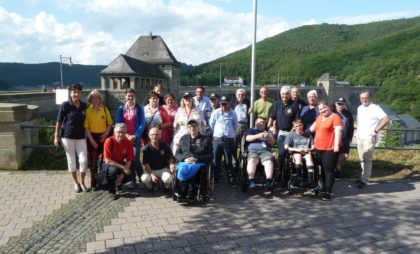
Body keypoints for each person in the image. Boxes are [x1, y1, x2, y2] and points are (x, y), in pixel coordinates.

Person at [54, 83, 89, 193]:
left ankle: (82, 181)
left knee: (83, 160)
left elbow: (88, 121)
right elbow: (59, 122)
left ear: (81, 93)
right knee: (71, 161)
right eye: (74, 92)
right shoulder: (65, 105)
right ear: (70, 93)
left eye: (78, 92)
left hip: (81, 137)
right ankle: (75, 183)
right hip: (67, 137)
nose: (76, 94)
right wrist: (56, 136)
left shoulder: (84, 106)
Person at [355, 90, 389, 189]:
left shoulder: (375, 108)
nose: (364, 100)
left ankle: (365, 180)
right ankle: (363, 176)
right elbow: (358, 118)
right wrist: (357, 126)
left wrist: (376, 131)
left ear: (370, 97)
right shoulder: (360, 108)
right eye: (362, 98)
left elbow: (386, 119)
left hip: (369, 138)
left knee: (367, 159)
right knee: (362, 158)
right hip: (360, 136)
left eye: (366, 98)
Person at [310, 101, 343, 201]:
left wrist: (336, 145)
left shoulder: (335, 117)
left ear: (329, 106)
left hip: (330, 148)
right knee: (323, 170)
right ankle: (324, 187)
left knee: (328, 171)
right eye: (320, 109)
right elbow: (311, 129)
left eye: (324, 107)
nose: (323, 110)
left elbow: (338, 131)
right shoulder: (319, 117)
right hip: (318, 148)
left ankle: (328, 192)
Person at [175, 119, 213, 199]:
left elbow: (210, 156)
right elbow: (177, 154)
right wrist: (184, 159)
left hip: (198, 162)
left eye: (194, 126)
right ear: (187, 128)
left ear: (198, 127)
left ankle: (191, 192)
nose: (192, 128)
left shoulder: (205, 139)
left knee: (191, 168)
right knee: (182, 168)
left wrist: (197, 159)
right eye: (190, 127)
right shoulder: (183, 138)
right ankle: (181, 192)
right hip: (185, 161)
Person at [268, 86, 299, 180]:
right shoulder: (277, 104)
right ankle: (280, 173)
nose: (285, 96)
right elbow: (271, 117)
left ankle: (291, 174)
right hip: (281, 133)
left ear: (289, 95)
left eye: (287, 94)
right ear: (281, 95)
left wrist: (292, 131)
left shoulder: (294, 105)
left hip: (291, 133)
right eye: (283, 94)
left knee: (289, 154)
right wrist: (270, 127)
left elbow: (297, 121)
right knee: (281, 154)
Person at [115, 88, 145, 187]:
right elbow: (118, 123)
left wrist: (135, 136)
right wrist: (126, 135)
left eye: (132, 95)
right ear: (125, 96)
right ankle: (131, 179)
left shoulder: (139, 108)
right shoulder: (121, 108)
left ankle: (141, 178)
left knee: (135, 158)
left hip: (136, 138)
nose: (130, 97)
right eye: (128, 95)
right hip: (124, 138)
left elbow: (142, 124)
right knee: (129, 159)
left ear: (134, 96)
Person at [84, 90, 113, 190]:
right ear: (90, 99)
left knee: (105, 161)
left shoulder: (104, 109)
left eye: (98, 98)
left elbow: (110, 123)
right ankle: (93, 183)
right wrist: (91, 140)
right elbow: (86, 128)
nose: (96, 100)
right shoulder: (88, 111)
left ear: (100, 99)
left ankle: (104, 182)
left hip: (103, 137)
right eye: (94, 98)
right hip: (92, 137)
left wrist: (105, 134)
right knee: (93, 162)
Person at [209, 96, 238, 183]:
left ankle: (230, 177)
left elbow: (235, 126)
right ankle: (216, 177)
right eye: (222, 104)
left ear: (229, 104)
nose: (224, 106)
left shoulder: (233, 113)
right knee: (215, 159)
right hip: (217, 139)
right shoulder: (216, 112)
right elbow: (211, 124)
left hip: (228, 140)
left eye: (225, 104)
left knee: (228, 160)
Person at [101, 123, 134, 200]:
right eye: (118, 132)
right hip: (107, 163)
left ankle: (118, 183)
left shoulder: (128, 143)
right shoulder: (109, 141)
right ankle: (112, 191)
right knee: (113, 170)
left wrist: (123, 174)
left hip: (119, 163)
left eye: (123, 132)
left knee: (131, 169)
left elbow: (129, 159)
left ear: (126, 133)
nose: (120, 134)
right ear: (114, 132)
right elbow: (107, 160)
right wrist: (123, 168)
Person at [245, 117, 276, 190]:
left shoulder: (268, 131)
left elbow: (273, 142)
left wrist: (268, 136)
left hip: (265, 151)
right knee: (252, 161)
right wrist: (258, 136)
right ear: (256, 123)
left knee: (268, 161)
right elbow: (247, 138)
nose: (261, 123)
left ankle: (269, 180)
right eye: (260, 122)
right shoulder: (251, 130)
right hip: (253, 151)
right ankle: (251, 180)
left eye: (263, 122)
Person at [284, 119, 315, 186]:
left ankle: (311, 179)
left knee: (309, 157)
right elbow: (286, 147)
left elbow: (313, 146)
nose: (298, 128)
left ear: (302, 125)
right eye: (296, 126)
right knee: (298, 157)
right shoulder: (291, 134)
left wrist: (309, 149)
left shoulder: (308, 134)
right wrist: (297, 150)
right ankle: (300, 178)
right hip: (296, 151)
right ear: (294, 127)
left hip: (306, 152)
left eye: (300, 125)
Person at [332, 97, 354, 178]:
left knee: (344, 156)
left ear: (344, 104)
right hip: (334, 139)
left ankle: (337, 166)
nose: (340, 106)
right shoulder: (332, 112)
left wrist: (349, 138)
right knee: (334, 155)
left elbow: (351, 127)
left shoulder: (348, 113)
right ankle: (336, 171)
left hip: (345, 138)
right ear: (335, 104)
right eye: (339, 104)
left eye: (342, 104)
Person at [232, 88, 251, 170]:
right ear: (236, 95)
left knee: (244, 145)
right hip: (236, 125)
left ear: (244, 96)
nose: (240, 96)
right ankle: (234, 164)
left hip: (245, 125)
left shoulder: (248, 103)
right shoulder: (233, 103)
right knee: (234, 145)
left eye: (242, 95)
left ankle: (243, 164)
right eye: (239, 94)